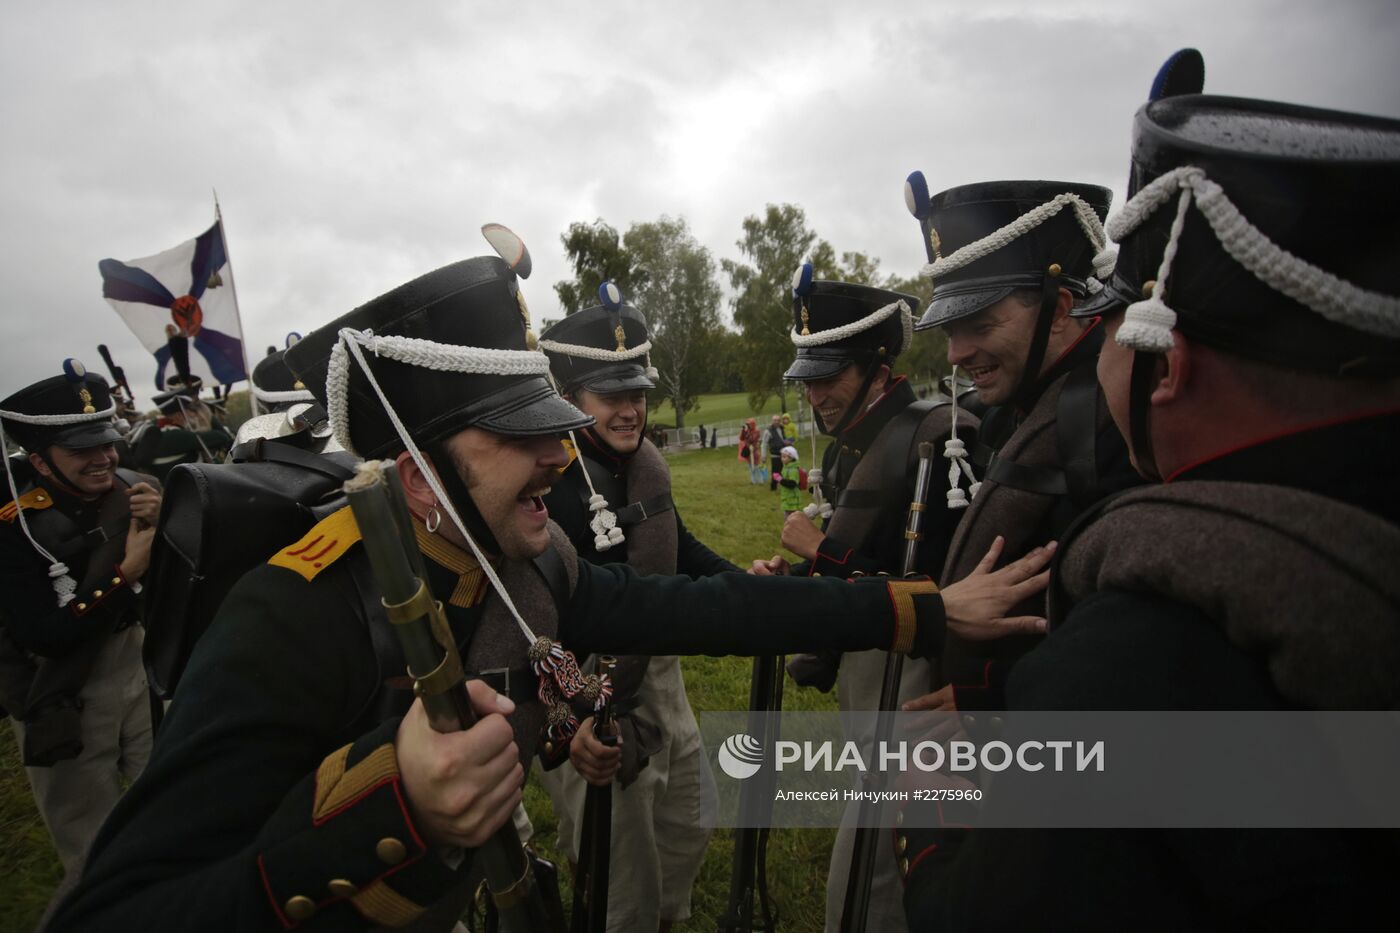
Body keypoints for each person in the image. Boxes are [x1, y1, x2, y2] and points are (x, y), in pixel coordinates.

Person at [53, 231, 1050, 931]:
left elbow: (695, 604)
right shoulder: (291, 614)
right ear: (417, 476)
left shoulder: (527, 558)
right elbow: (119, 912)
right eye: (524, 436)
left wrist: (914, 608)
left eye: (556, 429)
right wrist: (394, 806)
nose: (559, 458)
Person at [900, 57, 1400, 930]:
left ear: (1171, 364)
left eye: (1117, 314)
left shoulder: (1134, 659)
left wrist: (933, 816)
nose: (1103, 341)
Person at [750, 267, 979, 933]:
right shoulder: (857, 447)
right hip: (866, 676)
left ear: (878, 368)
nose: (815, 391)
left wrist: (823, 550)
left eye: (831, 375)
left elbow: (948, 593)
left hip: (913, 693)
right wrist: (796, 578)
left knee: (868, 885)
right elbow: (862, 576)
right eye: (810, 375)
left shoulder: (935, 437)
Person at [897, 172, 1140, 717]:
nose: (956, 353)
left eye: (980, 324)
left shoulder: (1116, 421)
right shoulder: (1006, 410)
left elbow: (1143, 641)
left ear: (1058, 311)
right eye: (951, 329)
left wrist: (1000, 704)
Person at [537, 281, 735, 933]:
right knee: (625, 876)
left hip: (659, 670)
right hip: (584, 685)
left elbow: (681, 548)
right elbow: (523, 631)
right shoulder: (542, 484)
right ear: (570, 397)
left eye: (638, 392)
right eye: (610, 394)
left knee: (689, 823)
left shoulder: (644, 466)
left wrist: (752, 588)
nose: (631, 409)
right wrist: (568, 725)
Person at [0, 361, 161, 919]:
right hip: (62, 687)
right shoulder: (15, 527)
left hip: (132, 668)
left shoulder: (129, 488)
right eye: (82, 450)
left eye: (108, 443)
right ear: (40, 460)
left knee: (162, 805)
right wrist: (126, 573)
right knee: (92, 849)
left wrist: (160, 529)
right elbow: (43, 634)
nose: (105, 458)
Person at [775, 445, 801, 517]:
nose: (782, 459)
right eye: (782, 456)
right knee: (787, 515)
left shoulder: (793, 470)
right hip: (787, 497)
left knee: (791, 517)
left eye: (784, 457)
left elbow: (792, 484)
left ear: (791, 458)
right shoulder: (786, 467)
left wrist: (780, 480)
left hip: (792, 499)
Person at [764, 414, 785, 490]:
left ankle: (785, 483)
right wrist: (764, 456)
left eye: (778, 420)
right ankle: (773, 487)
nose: (776, 422)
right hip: (775, 454)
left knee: (783, 470)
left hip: (784, 454)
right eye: (775, 420)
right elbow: (764, 444)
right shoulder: (768, 431)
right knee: (775, 471)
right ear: (772, 421)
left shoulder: (782, 429)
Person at [738, 416, 762, 483]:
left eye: (749, 424)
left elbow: (752, 439)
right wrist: (743, 431)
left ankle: (760, 480)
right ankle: (753, 480)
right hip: (748, 451)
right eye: (747, 424)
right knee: (750, 466)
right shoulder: (746, 430)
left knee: (756, 466)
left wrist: (747, 433)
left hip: (754, 451)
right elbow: (741, 438)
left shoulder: (757, 431)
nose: (748, 426)